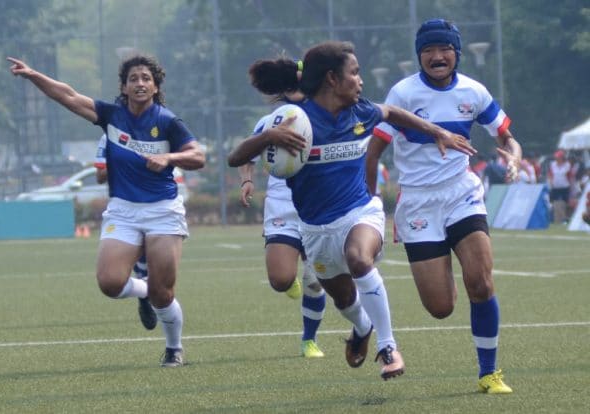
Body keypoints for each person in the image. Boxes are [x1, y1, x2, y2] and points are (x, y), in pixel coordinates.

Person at [228, 40, 475, 380]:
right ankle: (362, 327)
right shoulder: (295, 121)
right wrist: (268, 137)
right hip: (315, 230)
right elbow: (235, 158)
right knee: (344, 300)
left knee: (360, 258)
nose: (360, 81)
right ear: (332, 78)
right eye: (355, 73)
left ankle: (388, 347)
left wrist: (437, 132)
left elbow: (391, 112)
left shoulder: (360, 112)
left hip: (361, 212)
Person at [8, 54, 206, 367]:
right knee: (110, 283)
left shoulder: (168, 121)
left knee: (163, 293)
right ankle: (142, 292)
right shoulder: (111, 115)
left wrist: (170, 159)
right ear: (124, 87)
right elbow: (68, 95)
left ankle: (174, 347)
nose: (140, 83)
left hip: (162, 210)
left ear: (155, 87)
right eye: (133, 79)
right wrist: (33, 75)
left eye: (146, 78)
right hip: (123, 210)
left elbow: (198, 156)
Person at [366, 19, 521, 393]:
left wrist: (513, 158)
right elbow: (373, 154)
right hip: (417, 203)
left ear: (456, 53)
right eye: (428, 51)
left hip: (461, 193)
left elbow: (508, 137)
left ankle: (489, 373)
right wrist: (368, 203)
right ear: (419, 56)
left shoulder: (474, 91)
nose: (437, 57)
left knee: (482, 284)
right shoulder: (402, 94)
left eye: (444, 50)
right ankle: (444, 262)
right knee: (440, 308)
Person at [235, 115, 326, 358]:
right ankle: (289, 282)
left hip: (317, 204)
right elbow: (249, 154)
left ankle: (309, 340)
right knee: (279, 280)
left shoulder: (323, 115)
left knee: (314, 281)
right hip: (281, 205)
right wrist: (246, 180)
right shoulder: (269, 121)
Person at [95, 134, 157, 331]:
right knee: (132, 256)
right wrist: (124, 162)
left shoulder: (162, 127)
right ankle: (146, 293)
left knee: (158, 261)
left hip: (158, 205)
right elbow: (100, 176)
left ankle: (149, 291)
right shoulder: (108, 137)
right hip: (126, 209)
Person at [547, 150, 572, 224]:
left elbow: (569, 176)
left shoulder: (567, 165)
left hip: (564, 186)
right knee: (556, 203)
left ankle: (563, 219)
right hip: (555, 187)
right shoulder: (553, 164)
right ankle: (558, 219)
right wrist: (551, 182)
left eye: (558, 157)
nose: (557, 159)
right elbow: (550, 174)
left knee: (564, 203)